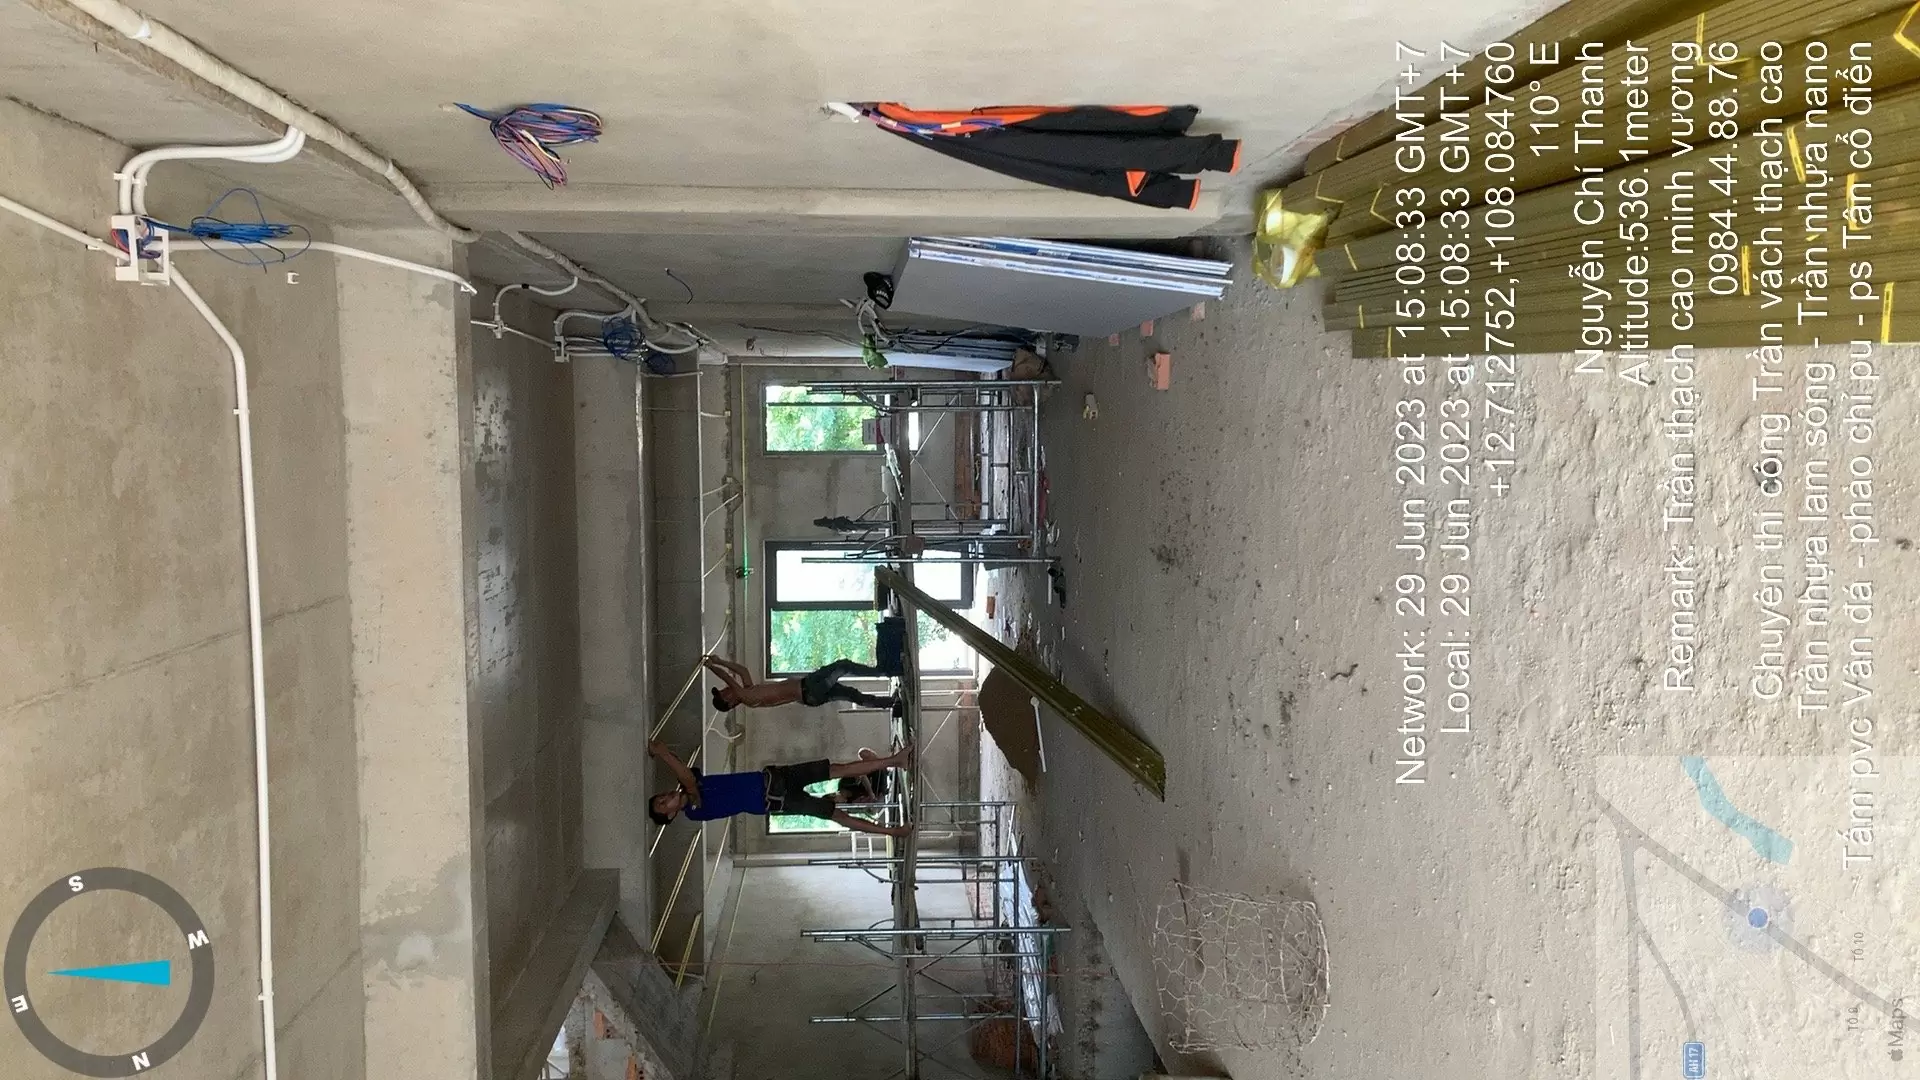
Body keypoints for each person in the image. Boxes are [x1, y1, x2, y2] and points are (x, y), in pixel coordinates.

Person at [647, 740, 914, 837]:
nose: (666, 798)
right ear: (671, 814)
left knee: (838, 769)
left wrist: (668, 756)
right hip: (778, 799)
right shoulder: (694, 810)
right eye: (663, 803)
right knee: (836, 814)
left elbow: (688, 775)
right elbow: (689, 782)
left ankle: (894, 761)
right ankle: (893, 832)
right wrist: (663, 753)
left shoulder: (692, 782)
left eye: (661, 796)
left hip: (776, 777)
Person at [702, 654, 895, 712]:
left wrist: (721, 661)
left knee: (851, 693)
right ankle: (883, 671)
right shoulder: (747, 698)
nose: (725, 690)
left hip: (809, 689)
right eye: (724, 694)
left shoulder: (749, 690)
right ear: (730, 702)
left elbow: (742, 671)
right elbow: (728, 678)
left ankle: (889, 703)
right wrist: (712, 666)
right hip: (810, 690)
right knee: (843, 666)